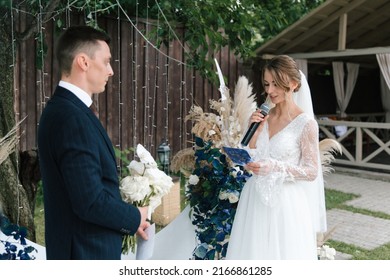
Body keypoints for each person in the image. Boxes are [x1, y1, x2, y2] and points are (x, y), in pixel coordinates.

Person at [37, 25, 149, 260]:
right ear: (83, 62)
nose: (111, 71)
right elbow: (90, 202)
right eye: (106, 61)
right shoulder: (71, 118)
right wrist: (134, 216)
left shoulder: (66, 110)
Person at [226, 55, 327, 259]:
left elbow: (311, 172)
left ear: (293, 84)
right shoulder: (263, 117)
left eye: (276, 84)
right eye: (266, 84)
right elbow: (253, 153)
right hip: (254, 198)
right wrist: (253, 132)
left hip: (286, 204)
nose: (269, 91)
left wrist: (275, 167)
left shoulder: (306, 124)